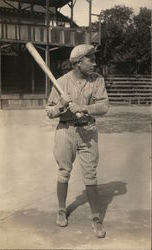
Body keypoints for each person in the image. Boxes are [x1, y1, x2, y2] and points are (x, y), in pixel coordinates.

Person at [45, 44, 109, 238]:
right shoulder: (61, 82)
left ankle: (96, 218)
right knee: (64, 172)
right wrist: (62, 106)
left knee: (90, 175)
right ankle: (62, 210)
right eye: (90, 59)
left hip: (88, 131)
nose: (94, 63)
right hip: (65, 131)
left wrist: (84, 107)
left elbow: (104, 105)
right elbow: (49, 111)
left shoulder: (97, 80)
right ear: (78, 62)